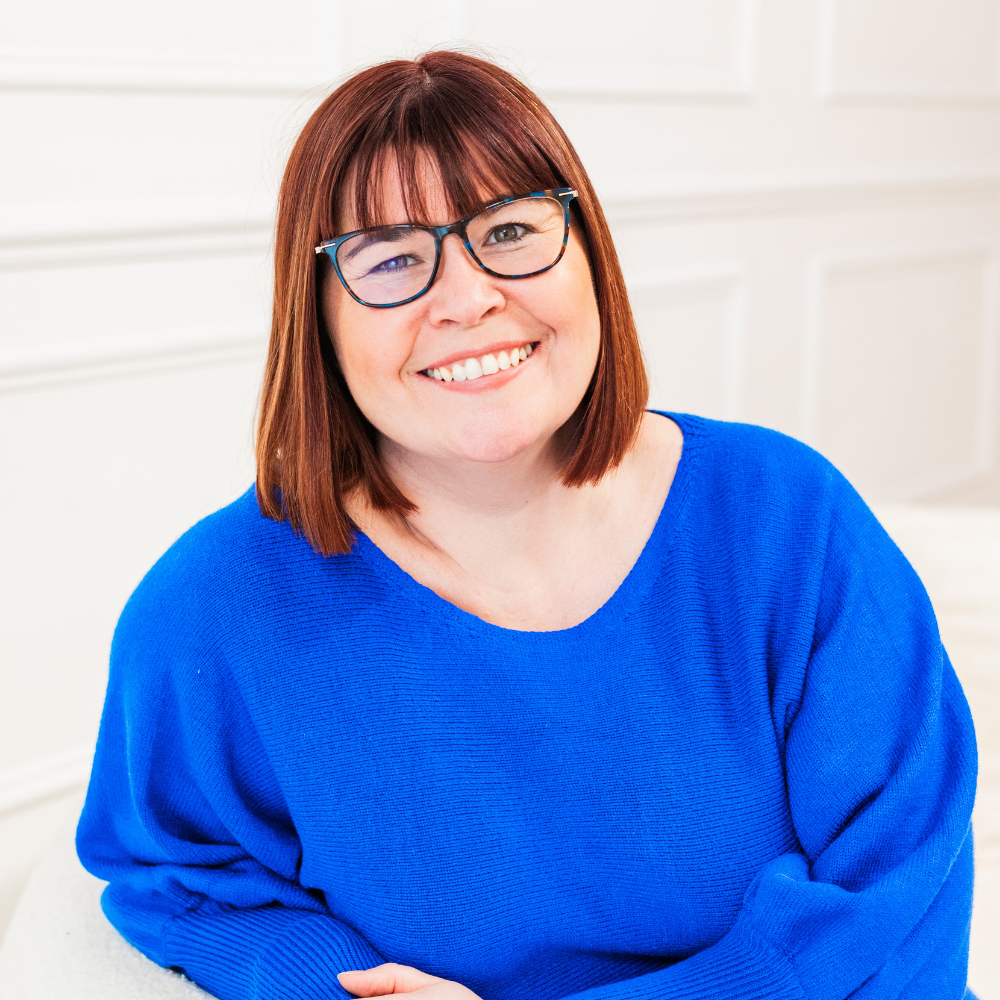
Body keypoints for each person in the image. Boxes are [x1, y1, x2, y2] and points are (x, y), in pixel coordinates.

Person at [76, 50, 978, 1000]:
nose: (468, 299)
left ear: (589, 253)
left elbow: (900, 901)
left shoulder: (787, 519)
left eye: (509, 230)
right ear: (319, 316)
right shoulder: (215, 607)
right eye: (393, 259)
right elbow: (180, 878)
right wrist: (338, 986)